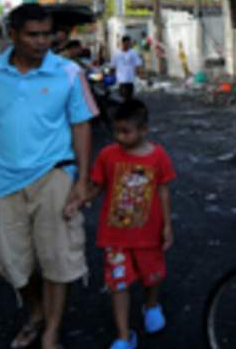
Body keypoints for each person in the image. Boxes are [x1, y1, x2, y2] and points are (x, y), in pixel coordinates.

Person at [0, 3, 98, 349]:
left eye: (47, 34)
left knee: (57, 258)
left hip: (55, 173)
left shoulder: (67, 72)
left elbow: (81, 126)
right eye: (33, 35)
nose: (41, 42)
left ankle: (50, 332)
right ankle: (35, 311)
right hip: (3, 181)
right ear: (13, 35)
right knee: (9, 261)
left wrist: (81, 180)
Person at [88, 100, 175, 349]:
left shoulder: (159, 156)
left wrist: (167, 225)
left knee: (152, 276)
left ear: (144, 129)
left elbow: (163, 191)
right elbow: (97, 185)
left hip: (149, 235)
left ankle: (151, 305)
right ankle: (124, 335)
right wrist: (79, 200)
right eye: (117, 131)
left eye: (126, 131)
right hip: (114, 237)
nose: (120, 137)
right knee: (118, 283)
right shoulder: (107, 155)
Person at [111, 35, 144, 102]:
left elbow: (138, 64)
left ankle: (129, 110)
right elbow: (113, 66)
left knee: (129, 97)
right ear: (122, 43)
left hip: (130, 79)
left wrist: (140, 74)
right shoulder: (116, 53)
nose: (127, 45)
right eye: (126, 43)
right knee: (123, 98)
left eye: (129, 43)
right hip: (121, 80)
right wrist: (112, 76)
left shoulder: (133, 52)